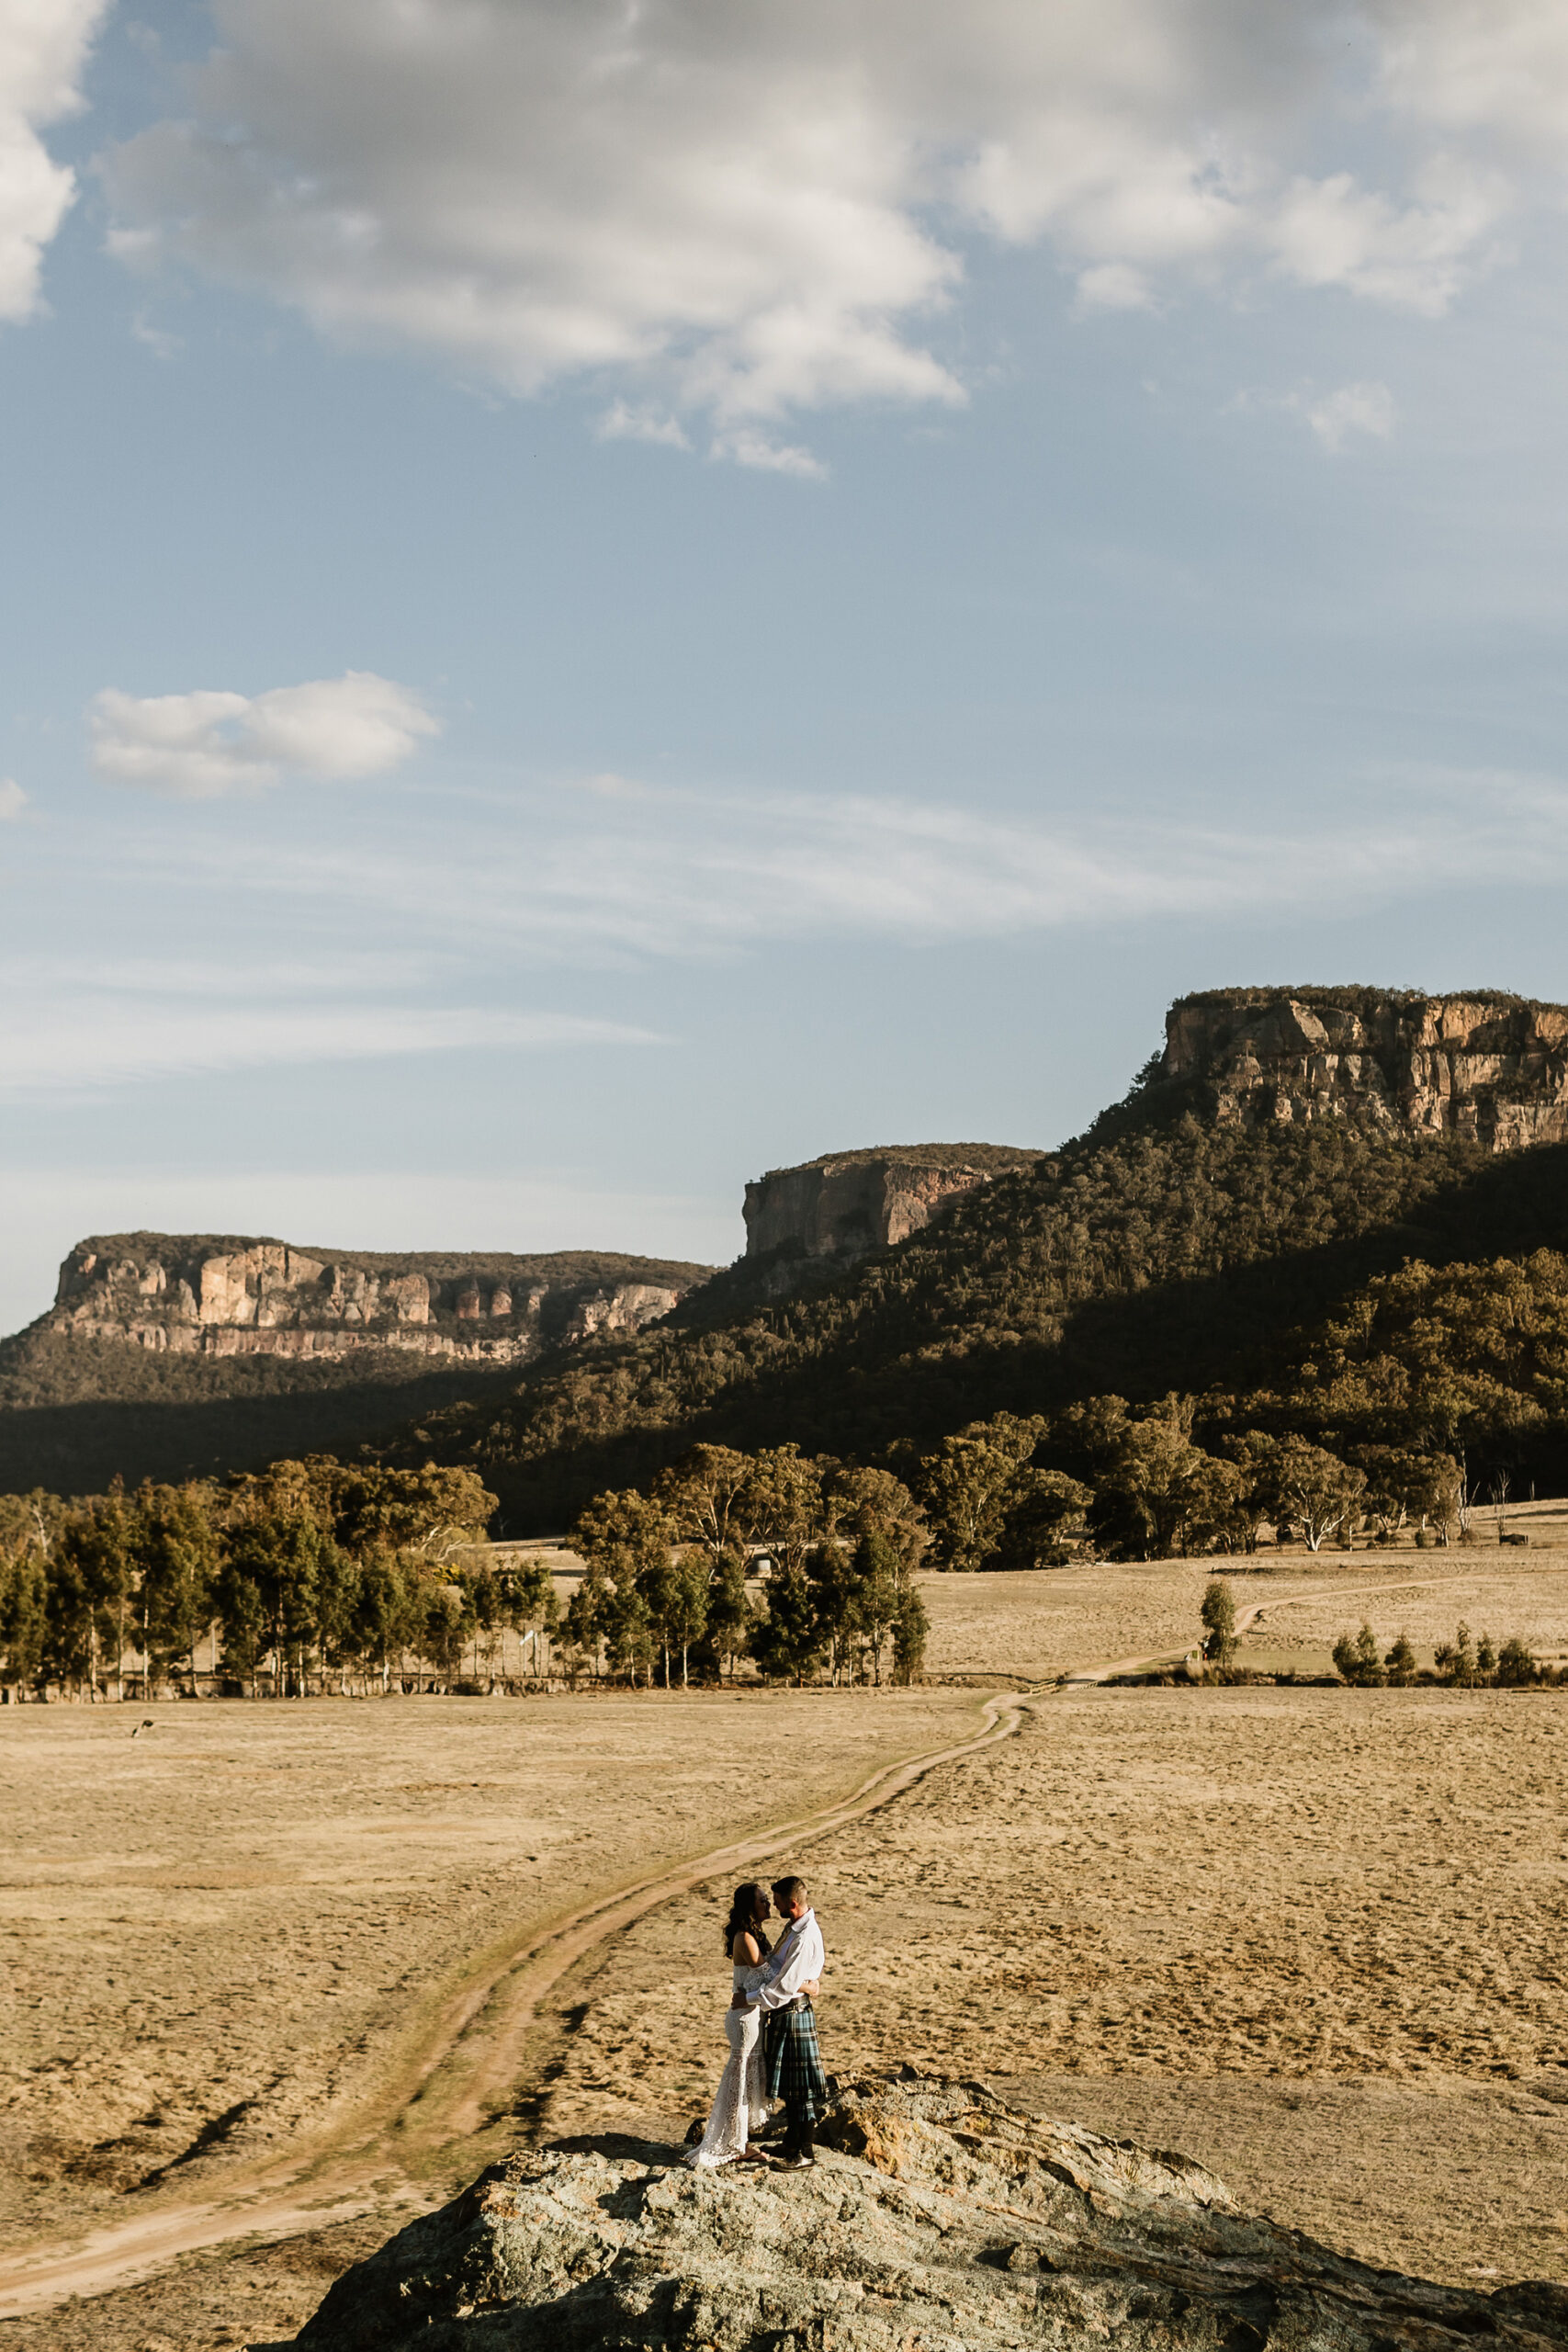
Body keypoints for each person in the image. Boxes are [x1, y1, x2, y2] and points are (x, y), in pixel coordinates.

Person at [682, 1882, 777, 2168]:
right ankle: (738, 2145)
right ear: (751, 1907)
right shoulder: (745, 1937)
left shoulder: (752, 1935)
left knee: (743, 2082)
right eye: (763, 1900)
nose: (768, 1904)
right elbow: (770, 1976)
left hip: (750, 2016)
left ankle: (738, 2140)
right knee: (740, 2082)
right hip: (744, 2020)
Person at [737, 1873, 828, 2168]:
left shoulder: (804, 1937)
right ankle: (791, 2142)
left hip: (793, 2011)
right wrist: (808, 1984)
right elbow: (777, 1968)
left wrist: (749, 1998)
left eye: (776, 1903)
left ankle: (804, 2153)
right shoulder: (793, 1928)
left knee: (802, 2088)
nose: (773, 1907)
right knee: (794, 2085)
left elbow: (783, 1986)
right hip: (788, 2012)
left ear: (792, 1903)